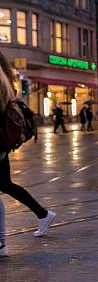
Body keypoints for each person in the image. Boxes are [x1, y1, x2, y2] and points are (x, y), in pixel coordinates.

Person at [0, 52, 56, 237]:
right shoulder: (6, 80)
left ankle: (1, 242)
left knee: (4, 184)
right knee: (5, 184)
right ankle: (43, 214)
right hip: (2, 141)